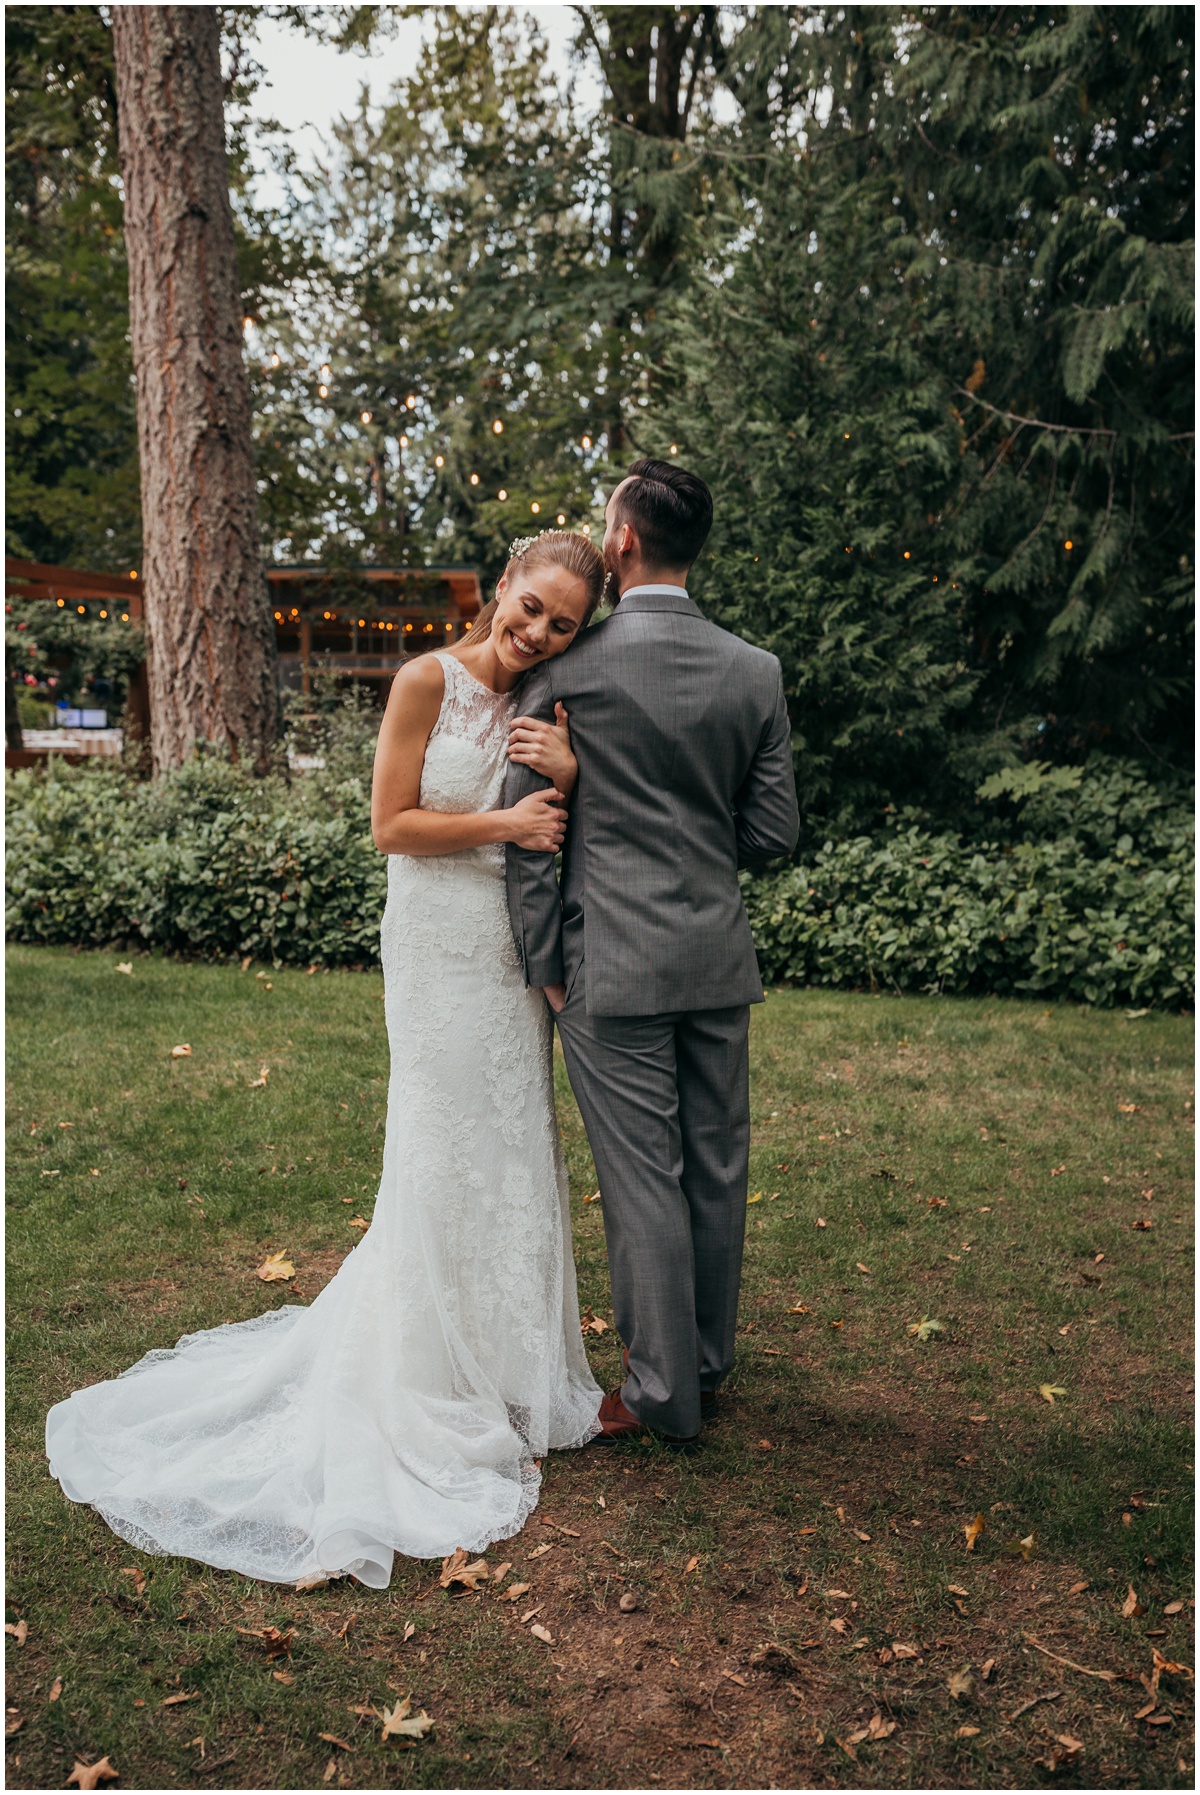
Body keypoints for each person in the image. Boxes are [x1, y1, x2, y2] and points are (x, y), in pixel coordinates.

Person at [45, 532, 606, 1589]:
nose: (536, 630)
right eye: (531, 606)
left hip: (506, 952)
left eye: (561, 623)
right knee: (440, 1141)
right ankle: (423, 1368)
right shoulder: (421, 678)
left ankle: (502, 1370)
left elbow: (578, 819)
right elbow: (391, 824)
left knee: (512, 1138)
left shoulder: (552, 702)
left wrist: (569, 775)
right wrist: (509, 819)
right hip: (436, 938)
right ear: (504, 587)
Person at [506, 461, 800, 1449]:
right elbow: (770, 833)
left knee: (643, 1182)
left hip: (610, 964)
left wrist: (546, 961)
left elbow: (527, 830)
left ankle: (665, 1391)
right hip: (715, 955)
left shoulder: (566, 673)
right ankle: (707, 1362)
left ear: (623, 543)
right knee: (715, 1166)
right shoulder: (754, 671)